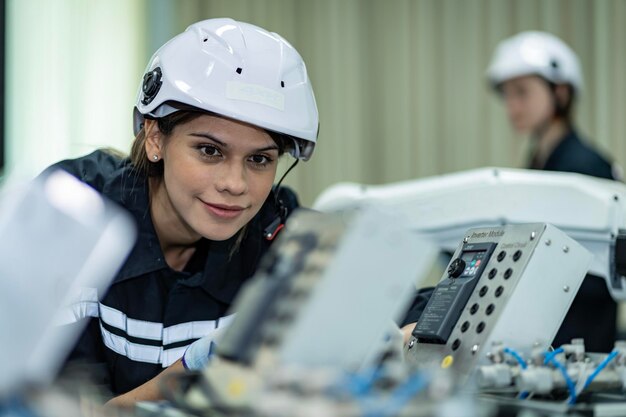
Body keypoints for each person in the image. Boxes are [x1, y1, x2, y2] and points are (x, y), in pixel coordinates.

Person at [51, 17, 319, 398]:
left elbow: (401, 315)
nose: (235, 184)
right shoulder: (69, 213)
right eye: (210, 151)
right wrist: (193, 369)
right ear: (155, 137)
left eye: (259, 160)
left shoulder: (277, 229)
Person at [486, 31, 619, 352]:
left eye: (522, 93)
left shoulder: (585, 166)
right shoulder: (539, 164)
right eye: (506, 95)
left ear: (560, 92)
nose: (512, 106)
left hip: (578, 352)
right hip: (542, 347)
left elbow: (598, 276)